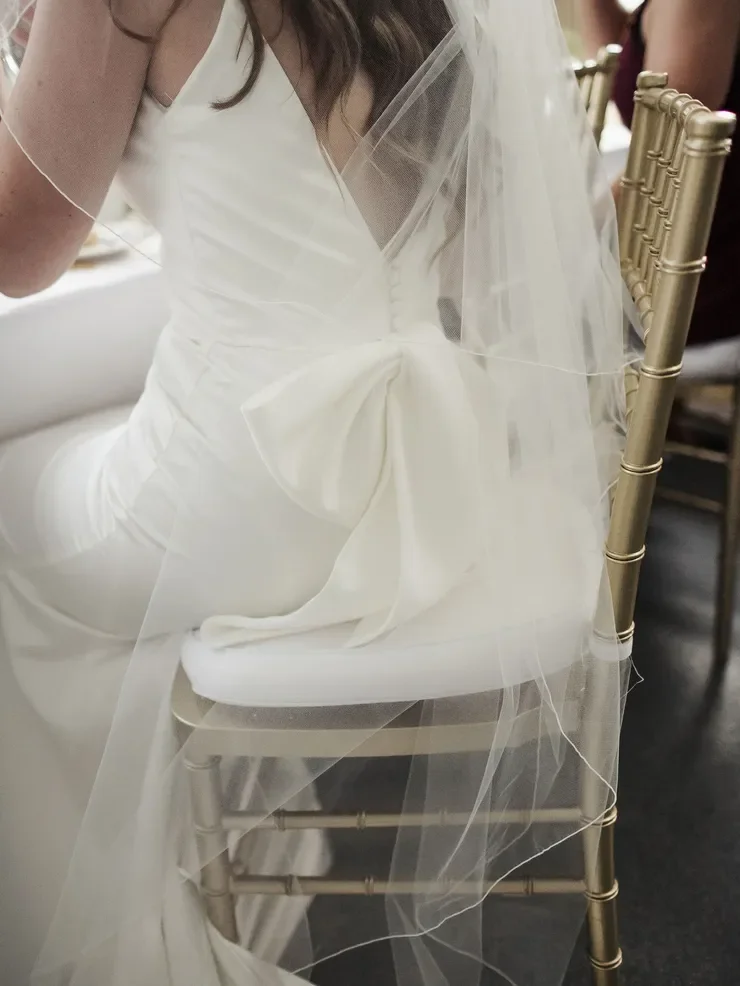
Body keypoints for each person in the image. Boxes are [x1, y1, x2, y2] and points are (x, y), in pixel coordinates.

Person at [0, 1, 631, 984]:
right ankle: (211, 850)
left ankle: (90, 936)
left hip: (251, 485)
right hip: (419, 478)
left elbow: (21, 251)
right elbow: (470, 249)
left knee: (7, 520)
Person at [579, 0, 740, 345]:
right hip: (664, 253)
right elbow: (626, 75)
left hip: (685, 284)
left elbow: (660, 163)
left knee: (493, 303)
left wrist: (551, 236)